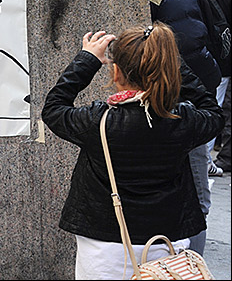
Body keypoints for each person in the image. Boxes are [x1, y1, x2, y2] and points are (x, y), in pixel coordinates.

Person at [42, 24, 223, 280]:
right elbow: (214, 113)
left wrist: (87, 60)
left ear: (116, 72)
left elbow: (53, 108)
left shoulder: (97, 121)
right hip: (167, 243)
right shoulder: (182, 121)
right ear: (168, 69)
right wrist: (172, 64)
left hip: (104, 247)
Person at [143, 0, 221, 254]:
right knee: (196, 202)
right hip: (179, 108)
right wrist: (210, 89)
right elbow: (192, 54)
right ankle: (190, 268)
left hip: (145, 105)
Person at [201, 0, 232, 173]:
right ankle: (206, 159)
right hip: (225, 62)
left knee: (204, 106)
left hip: (201, 57)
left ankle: (203, 158)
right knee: (217, 107)